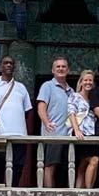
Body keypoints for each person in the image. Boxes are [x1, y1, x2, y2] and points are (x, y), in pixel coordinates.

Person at [0, 56, 33, 186]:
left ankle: (13, 189)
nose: (8, 65)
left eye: (11, 63)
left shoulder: (21, 87)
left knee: (18, 165)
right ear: (1, 66)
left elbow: (27, 111)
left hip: (20, 134)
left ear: (14, 67)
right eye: (6, 63)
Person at [35, 57, 73, 188]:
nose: (61, 69)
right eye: (58, 67)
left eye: (63, 66)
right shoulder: (47, 86)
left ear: (68, 70)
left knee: (65, 167)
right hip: (53, 134)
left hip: (68, 135)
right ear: (53, 70)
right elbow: (41, 107)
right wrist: (46, 122)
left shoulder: (71, 91)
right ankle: (48, 193)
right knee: (50, 165)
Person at [69, 70, 99, 188]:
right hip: (80, 133)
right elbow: (71, 113)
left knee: (89, 163)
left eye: (90, 80)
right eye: (85, 80)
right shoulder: (75, 96)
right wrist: (76, 130)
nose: (88, 82)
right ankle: (85, 191)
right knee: (87, 163)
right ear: (81, 82)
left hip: (92, 134)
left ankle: (84, 191)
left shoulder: (94, 98)